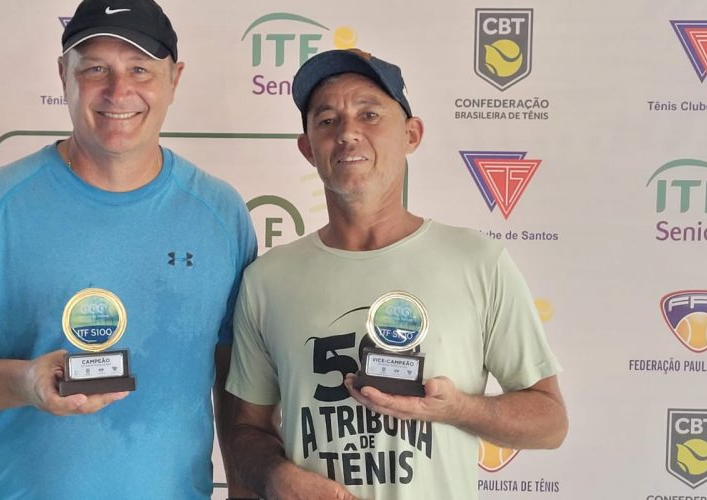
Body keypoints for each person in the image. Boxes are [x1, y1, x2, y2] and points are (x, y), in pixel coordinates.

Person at [0, 0, 256, 498]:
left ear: (175, 80)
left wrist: (243, 488)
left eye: (140, 69)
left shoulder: (220, 214)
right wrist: (24, 382)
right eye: (95, 69)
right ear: (63, 74)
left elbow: (236, 377)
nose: (118, 91)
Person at [226, 48, 568, 500]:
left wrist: (459, 409)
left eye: (369, 114)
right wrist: (275, 477)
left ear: (411, 134)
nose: (348, 133)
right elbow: (246, 428)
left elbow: (550, 423)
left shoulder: (477, 261)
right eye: (327, 120)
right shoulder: (268, 280)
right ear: (308, 148)